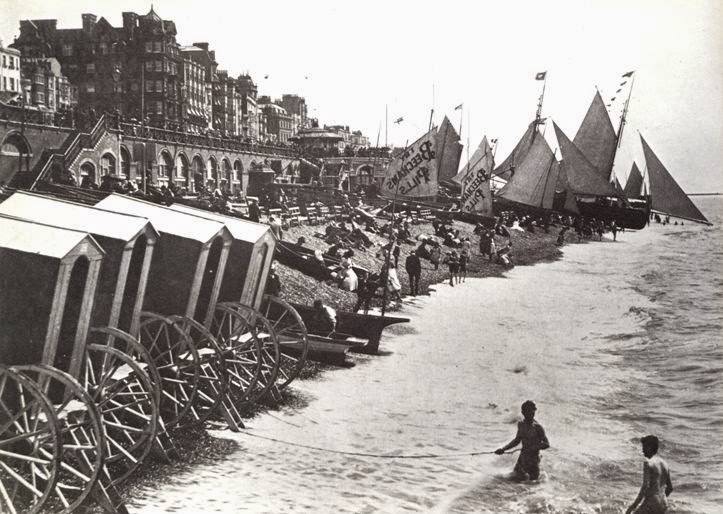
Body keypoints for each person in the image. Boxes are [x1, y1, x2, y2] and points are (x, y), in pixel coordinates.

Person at [495, 400, 550, 481]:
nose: (531, 413)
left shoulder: (538, 427)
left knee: (533, 484)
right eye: (529, 411)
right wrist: (503, 449)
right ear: (523, 412)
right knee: (512, 480)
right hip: (523, 458)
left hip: (533, 460)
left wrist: (533, 447)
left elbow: (546, 444)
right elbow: (517, 441)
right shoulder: (521, 425)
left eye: (533, 411)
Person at [626, 435, 673, 514]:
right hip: (664, 503)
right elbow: (670, 488)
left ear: (649, 447)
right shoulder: (665, 464)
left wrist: (633, 506)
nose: (642, 450)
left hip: (652, 502)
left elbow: (645, 486)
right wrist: (660, 500)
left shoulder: (648, 463)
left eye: (644, 447)